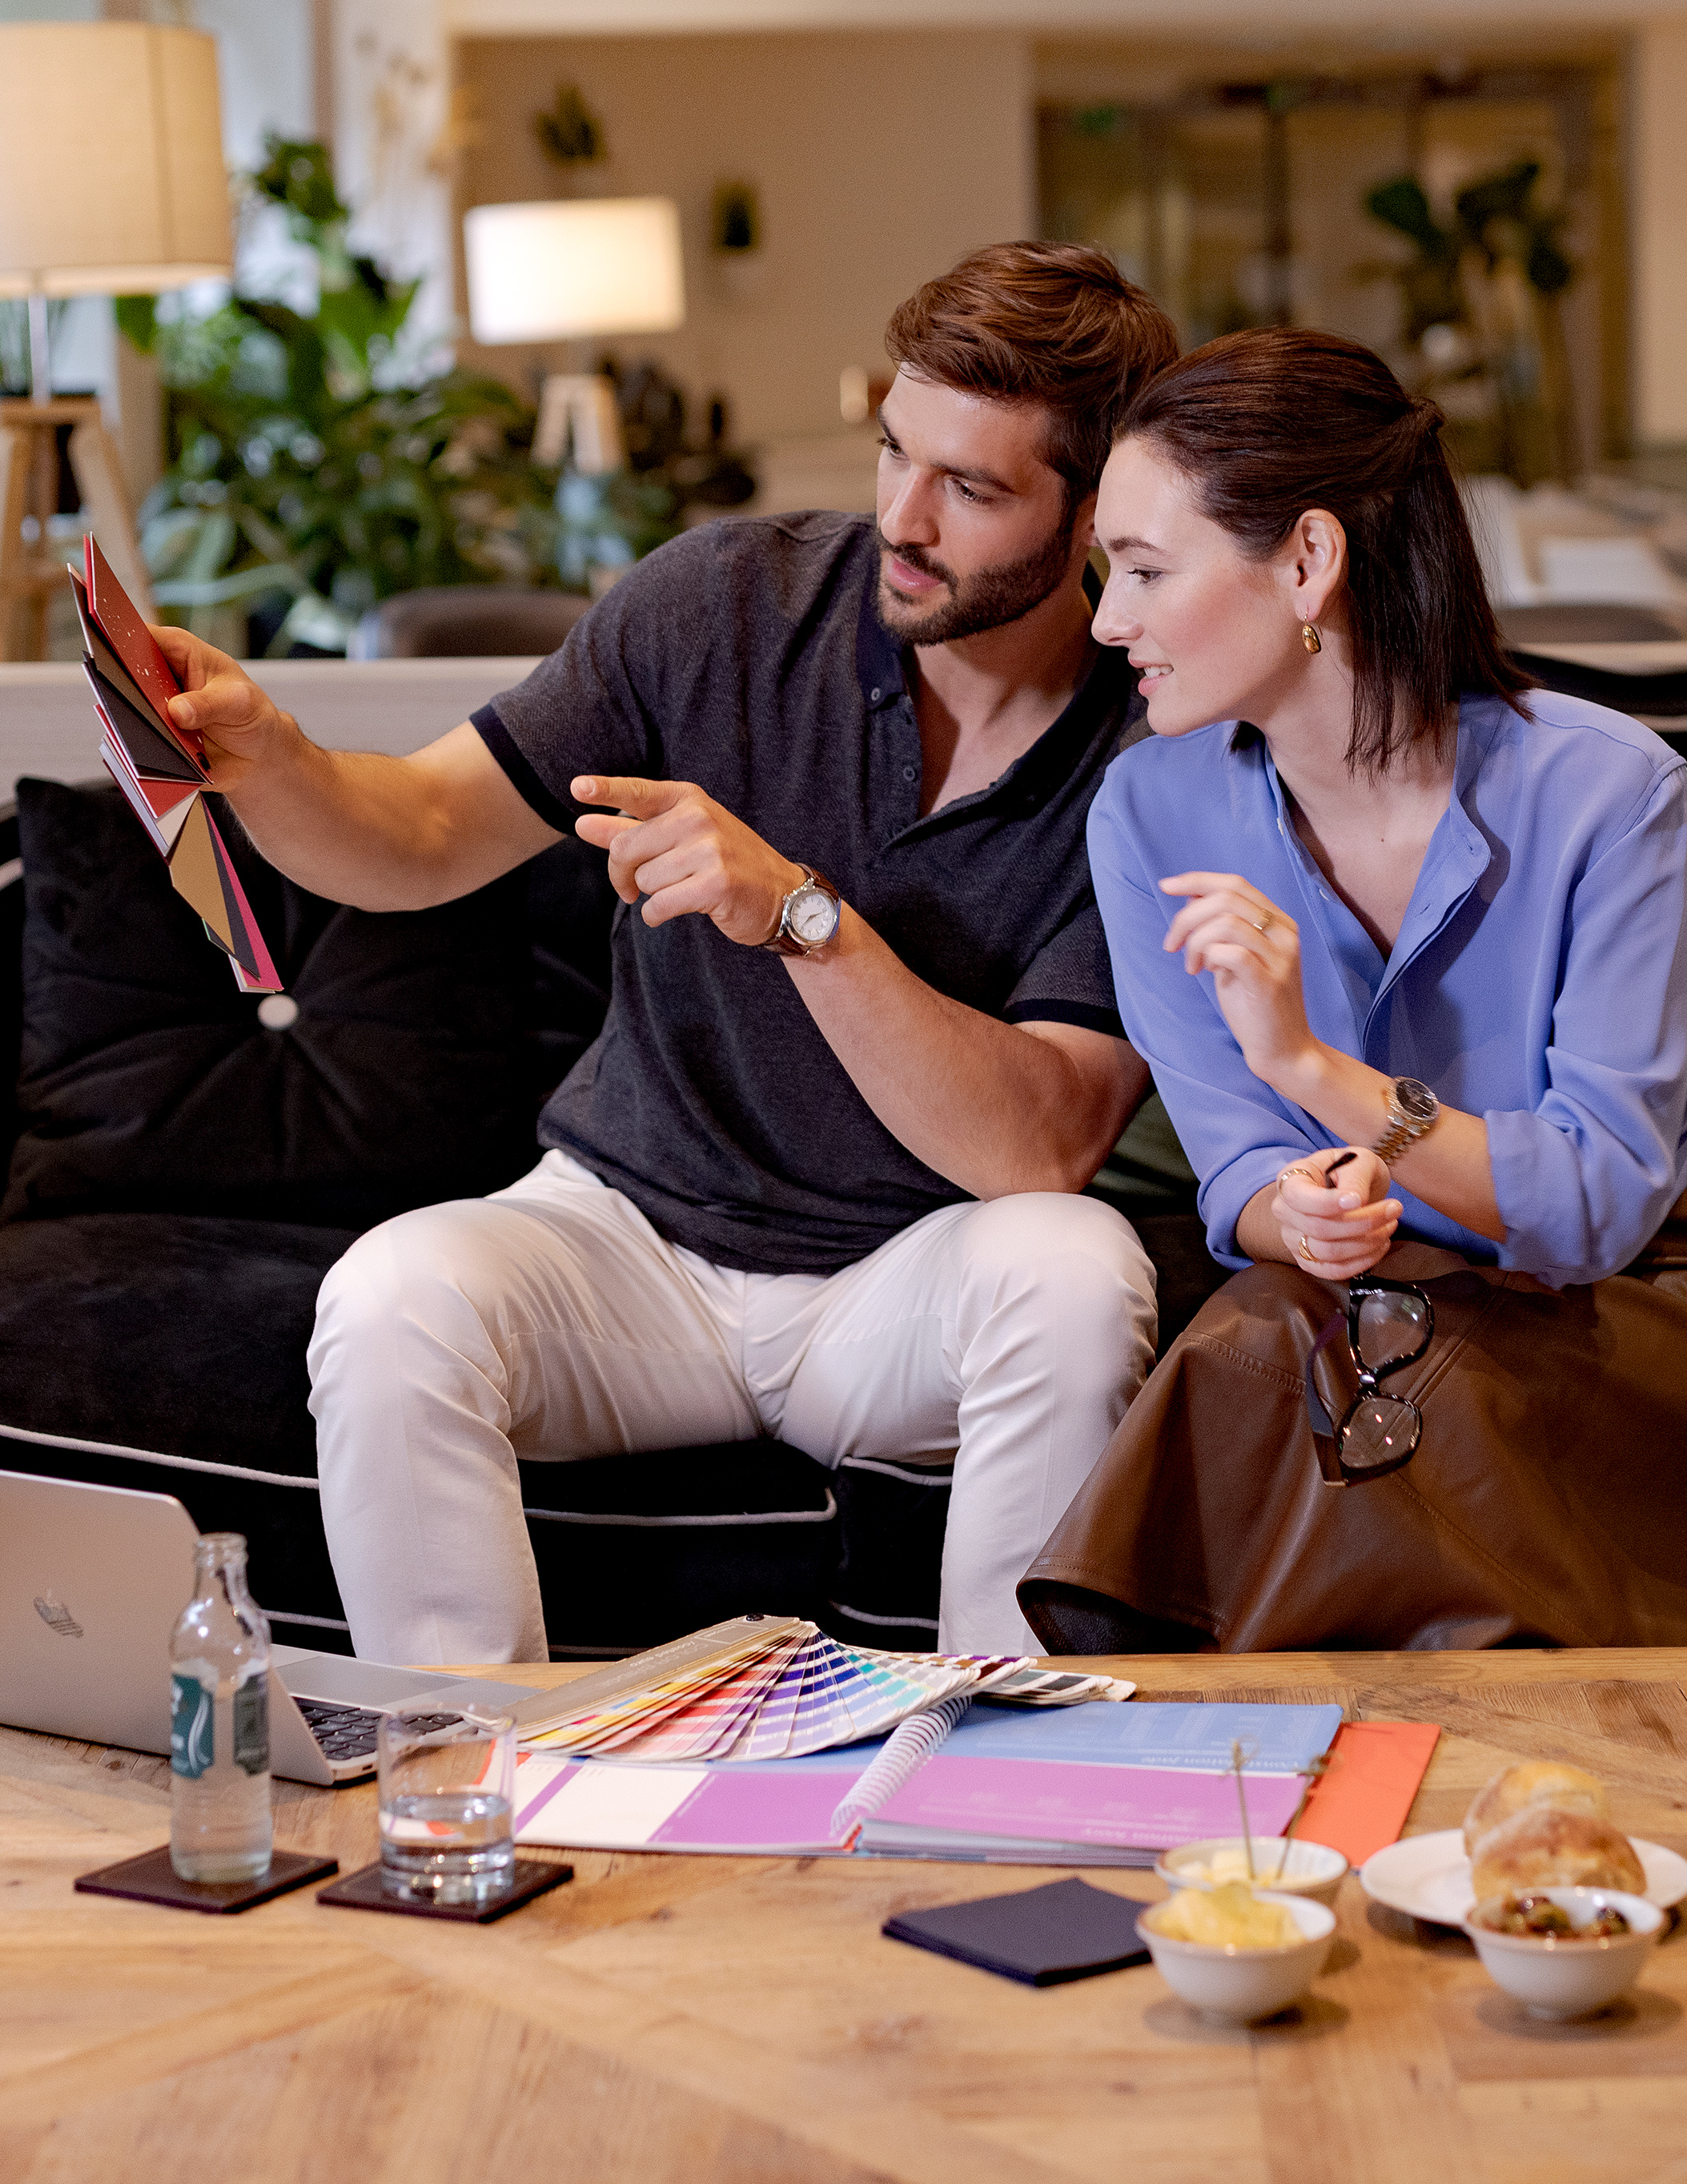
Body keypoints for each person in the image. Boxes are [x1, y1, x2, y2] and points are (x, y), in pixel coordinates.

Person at [152, 243, 1180, 1663]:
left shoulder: (1157, 754)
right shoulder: (727, 602)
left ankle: (996, 1757)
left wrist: (802, 916)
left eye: (972, 488)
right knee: (389, 1297)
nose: (903, 516)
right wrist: (272, 759)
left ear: (1095, 514)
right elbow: (426, 833)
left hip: (904, 1282)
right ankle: (466, 1766)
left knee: (1076, 1268)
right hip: (628, 1238)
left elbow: (1039, 1144)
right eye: (895, 449)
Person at [1021, 326, 1687, 1652]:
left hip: (1652, 1287)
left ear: (1308, 560)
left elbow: (1591, 1210)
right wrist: (1302, 1214)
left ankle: (1321, 1751)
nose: (1108, 618)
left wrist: (1316, 1073)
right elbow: (1236, 1170)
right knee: (1279, 1353)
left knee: (1375, 1396)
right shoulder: (1146, 811)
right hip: (1383, 1285)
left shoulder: (1609, 790)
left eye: (1146, 569)